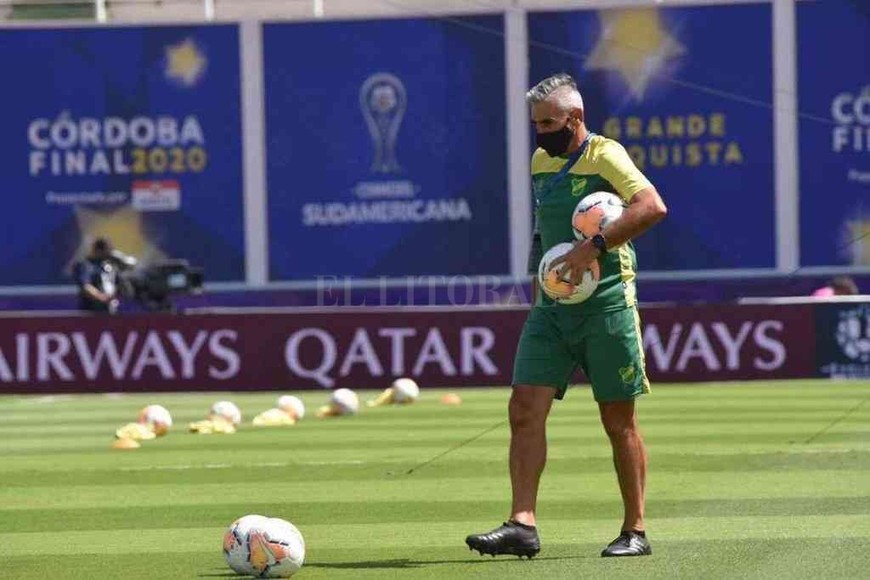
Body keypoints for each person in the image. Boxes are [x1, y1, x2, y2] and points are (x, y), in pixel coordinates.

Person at [465, 74, 667, 558]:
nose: (541, 133)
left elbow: (652, 206)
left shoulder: (606, 155)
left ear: (575, 119)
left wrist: (592, 248)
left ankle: (635, 531)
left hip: (607, 307)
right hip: (552, 309)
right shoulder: (541, 160)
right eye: (535, 124)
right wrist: (542, 278)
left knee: (618, 421)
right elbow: (546, 229)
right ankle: (522, 523)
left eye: (549, 123)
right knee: (523, 408)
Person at [73, 238, 122, 314]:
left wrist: (112, 298)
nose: (108, 255)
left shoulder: (109, 266)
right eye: (106, 252)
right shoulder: (85, 265)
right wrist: (102, 298)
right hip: (90, 311)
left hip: (110, 311)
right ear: (98, 251)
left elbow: (117, 284)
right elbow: (86, 286)